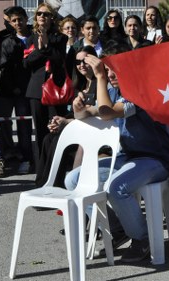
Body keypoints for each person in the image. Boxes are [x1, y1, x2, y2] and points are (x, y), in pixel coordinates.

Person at [65, 45, 169, 262]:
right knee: (74, 179)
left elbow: (106, 113)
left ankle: (142, 239)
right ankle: (118, 230)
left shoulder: (142, 92)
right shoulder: (114, 90)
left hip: (155, 159)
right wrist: (79, 108)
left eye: (116, 70)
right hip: (128, 157)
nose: (111, 74)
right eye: (108, 69)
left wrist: (100, 78)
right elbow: (89, 113)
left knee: (117, 187)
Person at [35, 45, 98, 188]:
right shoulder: (79, 84)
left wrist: (67, 121)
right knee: (48, 138)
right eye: (78, 62)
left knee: (58, 140)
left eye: (85, 61)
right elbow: (73, 112)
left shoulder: (99, 83)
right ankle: (42, 185)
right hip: (78, 128)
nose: (81, 65)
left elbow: (93, 113)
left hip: (92, 132)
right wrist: (58, 121)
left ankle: (55, 186)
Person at [23, 3, 68, 158]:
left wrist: (47, 45)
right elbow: (27, 63)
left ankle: (57, 164)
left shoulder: (61, 38)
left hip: (55, 89)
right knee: (40, 130)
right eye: (39, 14)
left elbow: (59, 60)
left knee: (55, 128)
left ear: (52, 18)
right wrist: (41, 50)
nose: (42, 16)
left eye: (46, 14)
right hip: (36, 90)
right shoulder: (31, 38)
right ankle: (41, 166)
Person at [0, 6, 34, 174]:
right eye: (14, 20)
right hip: (18, 90)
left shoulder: (36, 38)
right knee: (23, 126)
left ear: (27, 19)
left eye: (21, 19)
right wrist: (14, 87)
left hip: (36, 87)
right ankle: (25, 158)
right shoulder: (7, 42)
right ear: (10, 23)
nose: (18, 22)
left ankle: (37, 156)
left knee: (38, 125)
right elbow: (4, 67)